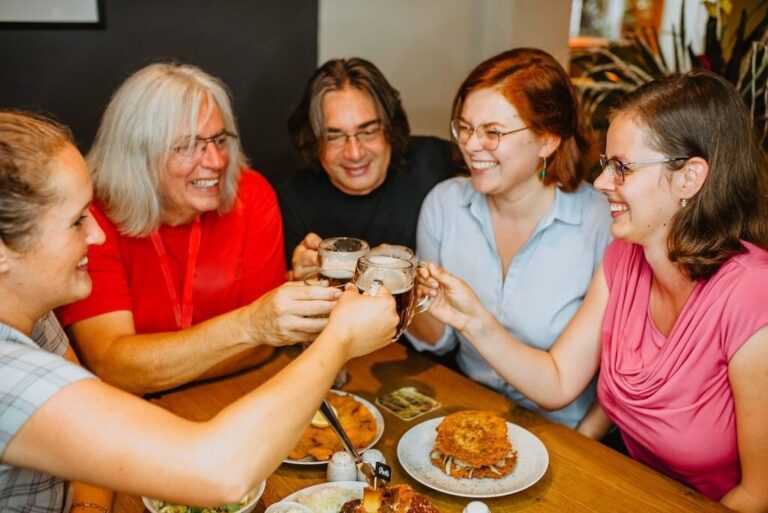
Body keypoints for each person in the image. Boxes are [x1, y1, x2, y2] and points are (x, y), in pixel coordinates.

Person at [0, 110, 398, 512]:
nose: (98, 233)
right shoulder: (7, 372)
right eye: (76, 221)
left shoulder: (33, 315)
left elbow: (82, 439)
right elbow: (220, 471)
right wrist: (339, 339)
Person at [418, 70, 768, 510]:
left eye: (622, 167)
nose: (601, 182)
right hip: (625, 484)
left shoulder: (753, 292)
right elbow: (559, 380)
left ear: (689, 179)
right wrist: (471, 319)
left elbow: (759, 494)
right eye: (606, 165)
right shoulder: (625, 258)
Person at [56, 63, 338, 395]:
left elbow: (265, 346)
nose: (217, 161)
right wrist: (251, 325)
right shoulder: (91, 221)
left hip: (236, 391)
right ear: (138, 154)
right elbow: (113, 366)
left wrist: (154, 365)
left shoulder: (251, 193)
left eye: (219, 140)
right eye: (189, 145)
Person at [406, 48, 612, 429]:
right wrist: (407, 293)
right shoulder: (445, 204)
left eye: (493, 132)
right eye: (465, 128)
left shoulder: (601, 222)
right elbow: (436, 341)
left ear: (548, 139)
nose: (470, 145)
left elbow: (613, 375)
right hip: (467, 410)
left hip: (562, 429)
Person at [278, 57, 459, 280]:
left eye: (368, 131)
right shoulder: (293, 199)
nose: (355, 153)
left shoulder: (436, 162)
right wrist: (295, 277)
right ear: (313, 141)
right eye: (334, 136)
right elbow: (273, 294)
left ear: (390, 128)